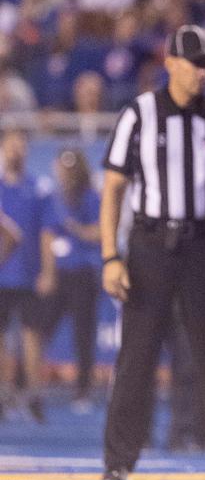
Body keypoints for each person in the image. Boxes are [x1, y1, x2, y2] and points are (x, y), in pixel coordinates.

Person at [100, 24, 205, 480]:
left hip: (203, 245)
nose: (203, 71)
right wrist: (110, 255)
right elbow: (113, 188)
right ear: (169, 63)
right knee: (137, 354)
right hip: (150, 244)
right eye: (195, 62)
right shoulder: (139, 114)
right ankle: (119, 460)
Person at [39, 149, 101, 411]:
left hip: (84, 272)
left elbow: (99, 231)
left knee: (83, 333)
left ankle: (83, 388)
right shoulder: (56, 198)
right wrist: (48, 272)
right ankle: (27, 384)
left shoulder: (90, 197)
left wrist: (76, 228)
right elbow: (48, 234)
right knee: (41, 326)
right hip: (62, 272)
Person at [0, 128, 51, 423]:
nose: (16, 150)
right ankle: (5, 392)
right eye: (11, 145)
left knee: (32, 336)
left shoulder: (38, 188)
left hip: (29, 274)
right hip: (2, 276)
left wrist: (47, 270)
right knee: (2, 338)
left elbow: (47, 232)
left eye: (21, 144)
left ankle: (34, 393)